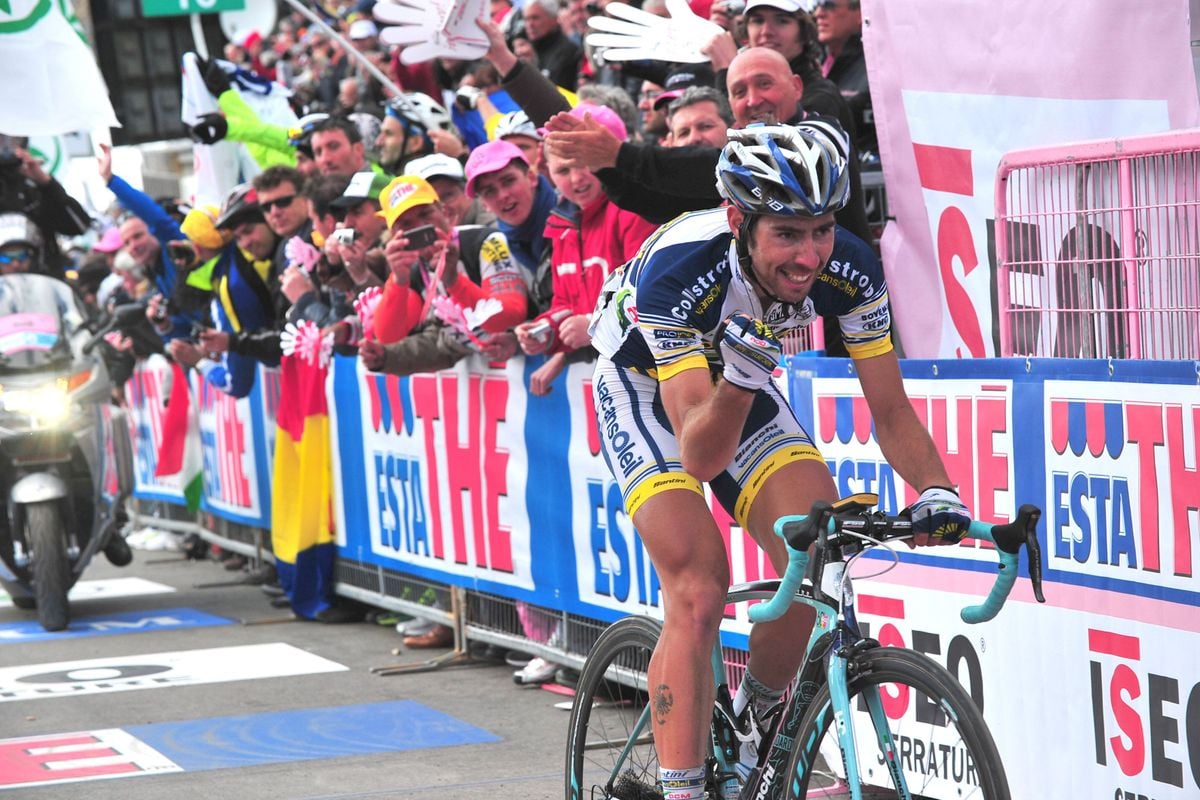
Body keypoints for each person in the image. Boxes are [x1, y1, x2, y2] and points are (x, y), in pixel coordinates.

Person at [587, 121, 971, 798]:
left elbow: (891, 411)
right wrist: (736, 379)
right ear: (738, 218)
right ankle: (684, 789)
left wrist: (939, 489)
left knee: (813, 551)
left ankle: (752, 739)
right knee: (700, 587)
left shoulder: (849, 266)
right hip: (648, 384)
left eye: (821, 229)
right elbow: (700, 456)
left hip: (740, 374)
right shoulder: (686, 268)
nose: (810, 255)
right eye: (787, 234)